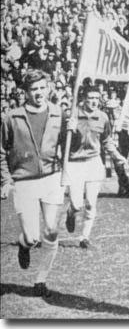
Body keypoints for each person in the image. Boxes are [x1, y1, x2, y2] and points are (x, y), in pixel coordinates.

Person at [0, 69, 74, 297]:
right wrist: (6, 180)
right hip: (24, 181)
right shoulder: (11, 117)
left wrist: (74, 130)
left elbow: (70, 145)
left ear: (48, 88)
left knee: (51, 231)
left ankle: (41, 279)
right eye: (33, 89)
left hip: (52, 178)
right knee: (32, 237)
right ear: (25, 92)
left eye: (42, 87)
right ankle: (24, 244)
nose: (39, 93)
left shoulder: (58, 113)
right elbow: (1, 151)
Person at [64, 86, 127, 248]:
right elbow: (61, 140)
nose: (93, 101)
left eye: (97, 98)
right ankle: (70, 213)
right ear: (83, 98)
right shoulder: (72, 115)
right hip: (74, 163)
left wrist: (117, 156)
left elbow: (106, 141)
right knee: (77, 204)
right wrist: (67, 130)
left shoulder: (102, 117)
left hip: (93, 162)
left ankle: (84, 237)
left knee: (91, 203)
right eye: (90, 98)